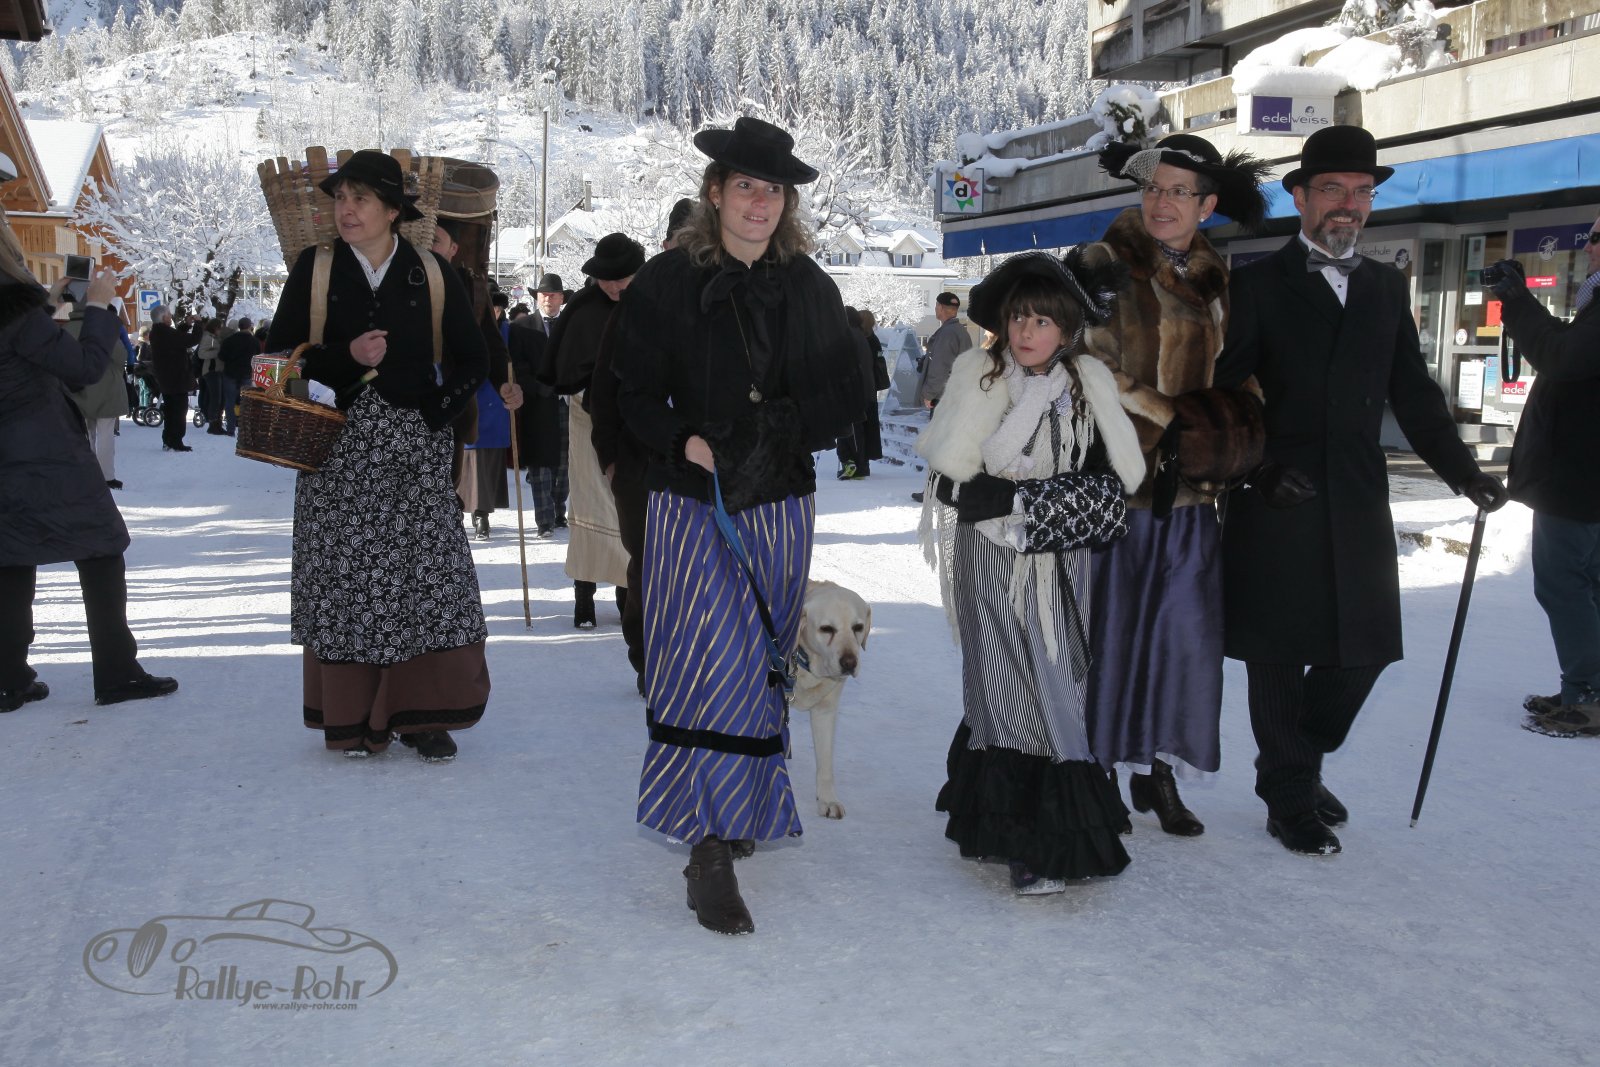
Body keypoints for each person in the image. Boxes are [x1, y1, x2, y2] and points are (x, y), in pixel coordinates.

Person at [1213, 125, 1508, 855]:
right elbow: (1219, 396)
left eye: (1362, 192)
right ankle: (1290, 794)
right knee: (1279, 653)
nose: (1348, 204)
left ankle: (1295, 757)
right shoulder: (1255, 284)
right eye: (1333, 189)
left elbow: (1413, 390)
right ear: (1301, 197)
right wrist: (1253, 469)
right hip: (1276, 493)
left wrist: (1464, 471)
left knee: (1366, 646)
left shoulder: (1386, 285)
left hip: (1356, 489)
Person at [615, 116, 860, 934]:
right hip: (691, 501)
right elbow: (628, 394)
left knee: (756, 666)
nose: (760, 201)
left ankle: (738, 804)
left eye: (774, 189)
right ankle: (708, 846)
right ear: (714, 192)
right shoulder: (664, 282)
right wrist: (684, 440)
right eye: (745, 185)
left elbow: (843, 395)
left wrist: (775, 429)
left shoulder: (809, 287)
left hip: (779, 501)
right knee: (703, 661)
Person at [917, 251, 1146, 894]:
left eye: (1042, 320)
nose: (1026, 331)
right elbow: (948, 478)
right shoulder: (978, 374)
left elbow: (1111, 492)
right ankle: (1014, 835)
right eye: (1019, 317)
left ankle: (1052, 832)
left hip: (1056, 569)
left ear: (1067, 328)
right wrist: (980, 497)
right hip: (986, 565)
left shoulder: (1088, 387)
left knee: (1055, 685)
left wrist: (1023, 501)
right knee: (997, 687)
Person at [1078, 133, 1271, 836]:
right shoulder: (1103, 264)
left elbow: (1241, 371)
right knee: (1112, 633)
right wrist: (1173, 418)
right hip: (1118, 482)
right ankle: (1097, 768)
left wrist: (1239, 426)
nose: (1162, 202)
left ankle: (1156, 767)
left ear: (1207, 206)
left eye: (1179, 192)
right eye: (1154, 188)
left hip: (1192, 490)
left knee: (1182, 638)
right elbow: (1088, 365)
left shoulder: (1221, 280)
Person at [268, 149, 490, 762]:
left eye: (360, 198)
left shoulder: (431, 271)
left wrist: (436, 413)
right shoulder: (314, 269)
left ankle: (422, 715)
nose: (346, 209)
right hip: (334, 452)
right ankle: (352, 716)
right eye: (340, 198)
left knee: (424, 580)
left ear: (394, 210)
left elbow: (474, 359)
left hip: (415, 454)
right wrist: (345, 358)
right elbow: (273, 360)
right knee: (346, 582)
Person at [0, 212, 178, 711]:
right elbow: (83, 368)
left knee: (9, 558)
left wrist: (49, 307)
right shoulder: (14, 306)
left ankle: (8, 678)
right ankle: (117, 673)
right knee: (102, 549)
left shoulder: (19, 311)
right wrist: (99, 307)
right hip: (45, 455)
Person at [1482, 227, 1600, 738]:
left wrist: (1517, 302)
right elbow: (1567, 347)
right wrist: (1521, 303)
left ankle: (1588, 693)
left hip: (1579, 477)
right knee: (1587, 582)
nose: (1588, 246)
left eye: (1597, 237)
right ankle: (1587, 687)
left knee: (1563, 583)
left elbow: (1562, 358)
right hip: (1582, 475)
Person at [591, 203, 694, 692]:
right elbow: (604, 388)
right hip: (639, 461)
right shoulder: (638, 303)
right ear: (666, 244)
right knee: (649, 563)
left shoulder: (733, 300)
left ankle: (700, 659)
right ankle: (650, 662)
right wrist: (609, 456)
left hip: (705, 464)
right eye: (682, 243)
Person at [542, 233, 643, 630]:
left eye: (622, 279)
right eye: (606, 279)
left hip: (633, 423)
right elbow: (563, 368)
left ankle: (626, 592)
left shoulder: (651, 304)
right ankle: (583, 593)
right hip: (587, 419)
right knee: (589, 504)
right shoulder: (584, 308)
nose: (614, 287)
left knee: (627, 506)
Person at [431, 219, 521, 542]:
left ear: (453, 249)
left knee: (444, 495)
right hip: (403, 409)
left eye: (436, 240)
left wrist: (504, 383)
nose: (427, 246)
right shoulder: (397, 278)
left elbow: (489, 345)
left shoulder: (469, 288)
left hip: (451, 409)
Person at [68, 293, 133, 488]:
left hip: (77, 387)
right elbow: (120, 355)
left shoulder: (66, 329)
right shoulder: (101, 327)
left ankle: (87, 472)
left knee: (86, 432)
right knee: (106, 432)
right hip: (105, 384)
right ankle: (107, 476)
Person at [832, 306, 878, 480]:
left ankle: (854, 465)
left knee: (851, 429)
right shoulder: (860, 336)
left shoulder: (849, 336)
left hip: (853, 391)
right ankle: (857, 464)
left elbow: (844, 365)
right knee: (856, 429)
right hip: (862, 389)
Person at [147, 305, 201, 451]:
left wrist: (186, 325)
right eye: (169, 315)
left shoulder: (157, 332)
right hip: (176, 377)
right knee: (178, 411)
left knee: (170, 410)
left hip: (166, 378)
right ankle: (176, 441)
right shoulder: (166, 333)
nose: (171, 317)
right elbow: (191, 340)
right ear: (164, 317)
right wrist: (198, 323)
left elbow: (177, 338)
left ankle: (168, 439)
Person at [915, 291, 971, 409]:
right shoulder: (960, 331)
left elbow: (941, 368)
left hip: (943, 398)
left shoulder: (947, 334)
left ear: (940, 307)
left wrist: (929, 394)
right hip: (956, 396)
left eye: (936, 306)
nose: (935, 309)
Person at [216, 316, 258, 436]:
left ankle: (230, 429)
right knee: (245, 402)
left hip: (230, 373)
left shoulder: (229, 340)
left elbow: (221, 356)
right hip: (246, 374)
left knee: (230, 401)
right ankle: (244, 428)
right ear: (249, 326)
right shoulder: (254, 341)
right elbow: (257, 357)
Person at [197, 318, 225, 434]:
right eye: (220, 328)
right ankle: (213, 424)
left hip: (216, 370)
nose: (221, 330)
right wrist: (217, 353)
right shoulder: (208, 338)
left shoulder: (213, 338)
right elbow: (201, 354)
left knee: (219, 399)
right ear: (215, 328)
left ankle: (217, 423)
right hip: (211, 371)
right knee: (215, 398)